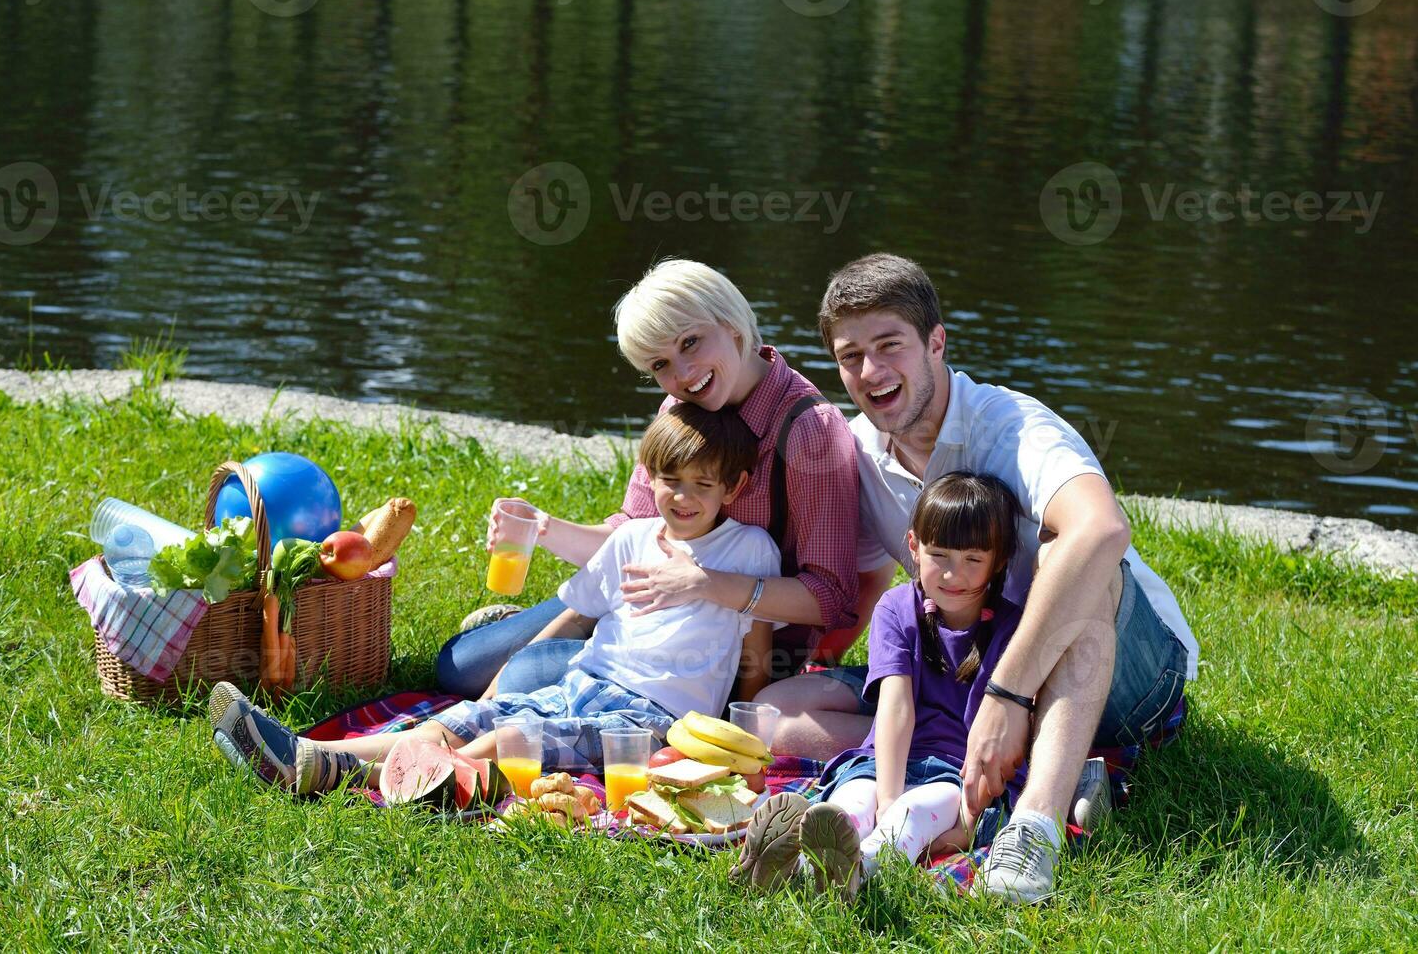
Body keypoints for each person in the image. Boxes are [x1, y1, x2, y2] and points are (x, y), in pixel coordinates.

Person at [757, 254, 1198, 904]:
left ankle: (1033, 829)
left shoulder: (1011, 427)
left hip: (1126, 672)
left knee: (1073, 568)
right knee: (777, 716)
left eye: (889, 347)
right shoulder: (858, 453)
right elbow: (855, 591)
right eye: (851, 357)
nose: (871, 373)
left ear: (936, 342)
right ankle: (1039, 770)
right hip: (960, 670)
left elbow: (1101, 532)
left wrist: (1007, 695)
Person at [209, 403, 781, 795]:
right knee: (463, 719)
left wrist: (742, 734)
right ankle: (307, 750)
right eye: (671, 480)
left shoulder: (748, 550)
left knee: (504, 740)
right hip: (582, 681)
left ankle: (339, 775)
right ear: (649, 476)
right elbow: (576, 614)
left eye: (703, 485)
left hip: (651, 719)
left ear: (734, 488)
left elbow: (755, 650)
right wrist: (497, 685)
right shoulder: (631, 538)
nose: (683, 497)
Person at [435, 259, 861, 704]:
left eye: (691, 342)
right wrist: (544, 527)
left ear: (732, 324)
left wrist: (703, 582)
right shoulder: (677, 407)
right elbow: (631, 532)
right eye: (661, 363)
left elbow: (829, 598)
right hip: (641, 607)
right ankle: (550, 633)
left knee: (523, 678)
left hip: (730, 644)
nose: (683, 375)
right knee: (458, 668)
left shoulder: (810, 430)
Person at [731, 472, 1026, 899]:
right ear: (913, 546)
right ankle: (790, 863)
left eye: (972, 560)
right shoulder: (897, 607)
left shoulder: (1009, 628)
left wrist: (967, 817)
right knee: (850, 803)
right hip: (885, 758)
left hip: (955, 773)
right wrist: (885, 793)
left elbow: (1000, 733)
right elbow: (894, 709)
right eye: (938, 554)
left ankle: (862, 869)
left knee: (908, 814)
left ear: (998, 561)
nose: (951, 574)